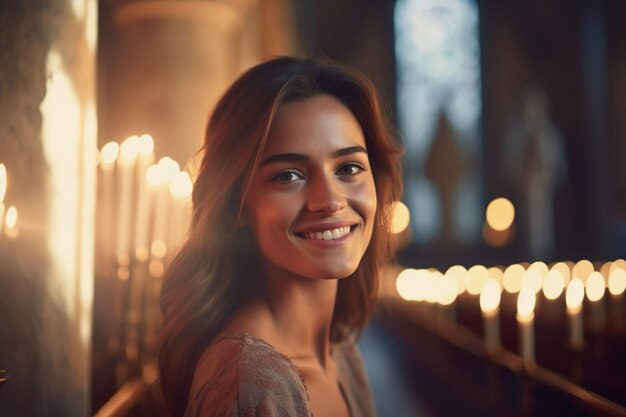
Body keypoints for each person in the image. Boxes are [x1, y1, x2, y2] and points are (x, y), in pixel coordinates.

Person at [158, 56, 403, 417]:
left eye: (349, 168)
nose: (331, 201)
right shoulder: (250, 384)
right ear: (236, 205)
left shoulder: (340, 348)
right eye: (289, 175)